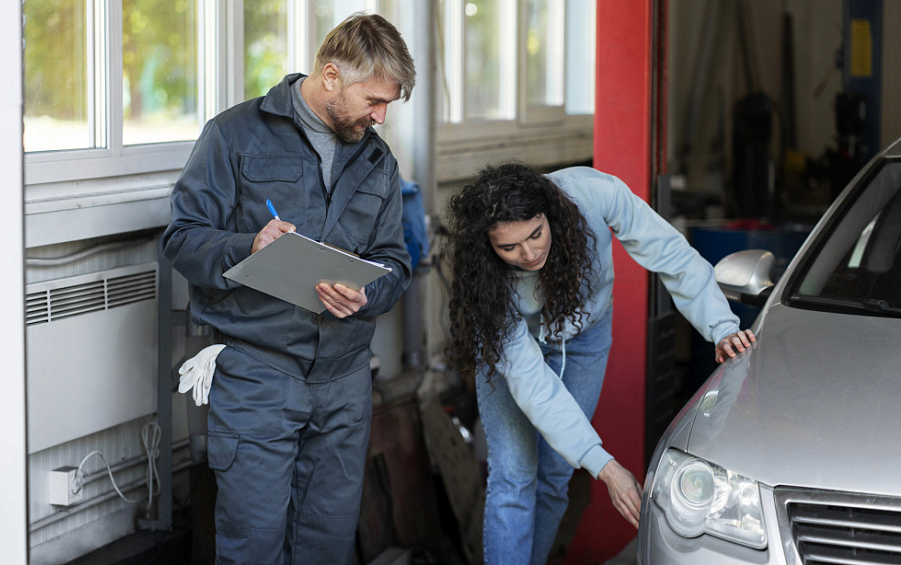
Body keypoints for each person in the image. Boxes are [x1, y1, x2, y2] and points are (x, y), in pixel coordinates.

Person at [160, 12, 416, 565]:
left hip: (346, 381)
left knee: (326, 547)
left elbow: (396, 260)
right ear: (330, 75)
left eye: (388, 104)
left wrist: (368, 293)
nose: (381, 115)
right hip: (259, 373)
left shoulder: (378, 160)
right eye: (374, 100)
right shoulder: (233, 135)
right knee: (252, 546)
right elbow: (182, 239)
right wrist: (246, 247)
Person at [446, 163, 756, 565]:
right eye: (509, 248)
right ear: (487, 246)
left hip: (584, 335)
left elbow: (671, 255)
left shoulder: (592, 193)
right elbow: (534, 386)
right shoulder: (486, 290)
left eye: (536, 234)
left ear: (549, 214)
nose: (529, 253)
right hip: (517, 353)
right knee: (514, 476)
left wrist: (721, 326)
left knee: (556, 477)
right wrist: (605, 467)